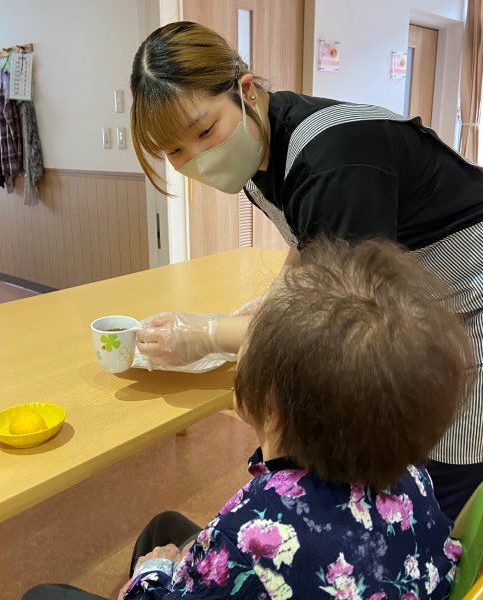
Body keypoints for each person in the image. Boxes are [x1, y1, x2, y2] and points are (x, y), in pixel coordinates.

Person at [130, 21, 483, 520]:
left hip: (468, 307)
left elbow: (338, 324)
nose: (199, 158)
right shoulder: (259, 156)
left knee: (437, 479)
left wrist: (210, 333)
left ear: (245, 91)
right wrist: (272, 304)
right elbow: (310, 247)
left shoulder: (333, 161)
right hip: (415, 308)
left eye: (205, 131)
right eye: (176, 152)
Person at [22, 237, 474, 599]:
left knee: (45, 593)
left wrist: (152, 572)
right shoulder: (411, 477)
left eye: (243, 357)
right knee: (164, 526)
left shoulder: (252, 531)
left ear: (273, 410)